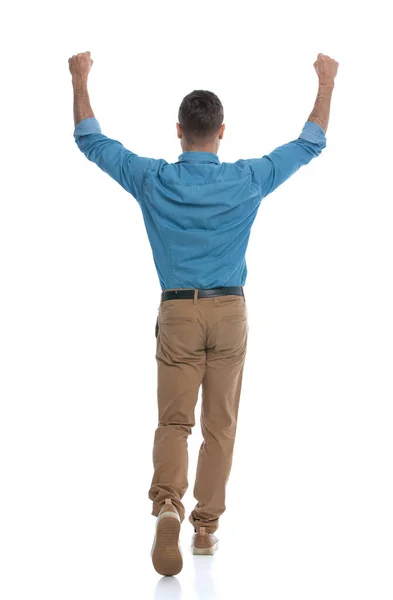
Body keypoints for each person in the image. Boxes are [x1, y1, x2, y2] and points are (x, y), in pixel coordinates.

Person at [69, 51, 339, 577]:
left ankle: (168, 503)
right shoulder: (248, 178)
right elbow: (310, 143)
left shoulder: (152, 179)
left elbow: (91, 141)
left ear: (178, 131)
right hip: (230, 311)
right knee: (221, 425)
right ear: (221, 132)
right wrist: (326, 81)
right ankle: (205, 528)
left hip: (178, 313)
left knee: (174, 420)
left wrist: (80, 78)